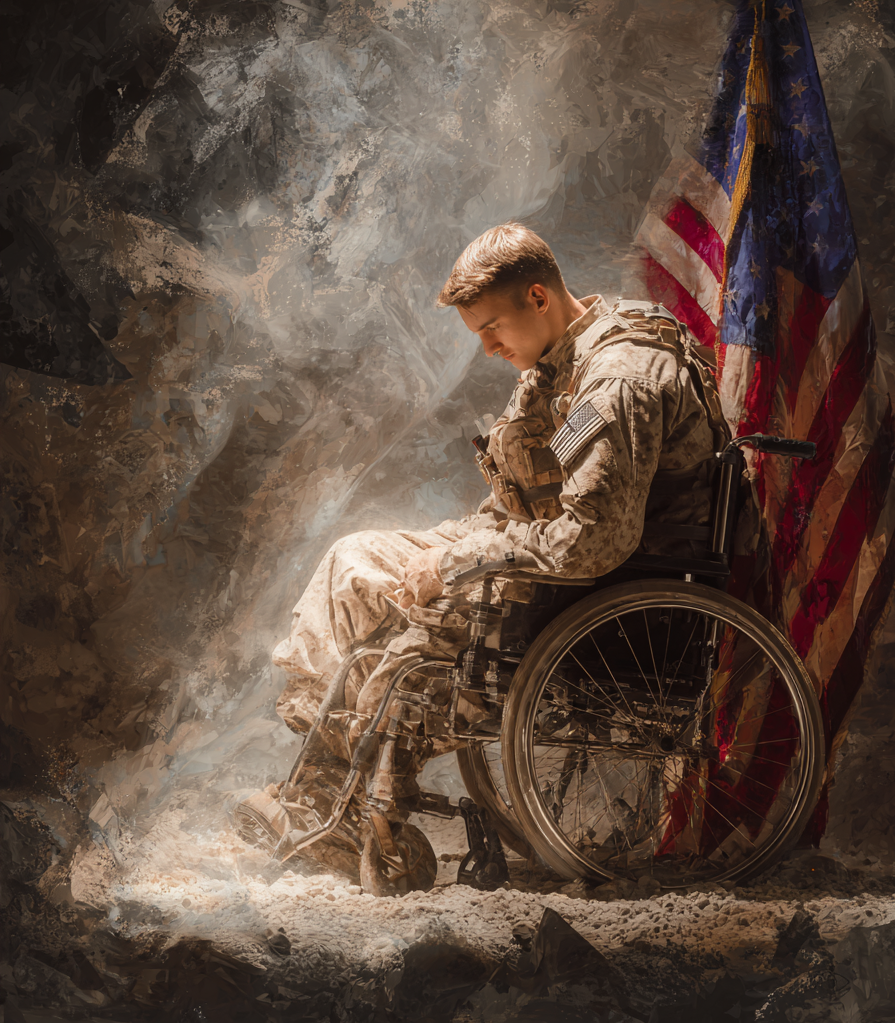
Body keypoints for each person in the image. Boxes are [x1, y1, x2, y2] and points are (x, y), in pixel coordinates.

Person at [234, 223, 734, 891]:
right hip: (537, 547)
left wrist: (455, 564)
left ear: (537, 296)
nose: (488, 347)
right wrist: (461, 547)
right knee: (354, 562)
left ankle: (344, 798)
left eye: (491, 328)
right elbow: (528, 498)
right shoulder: (567, 351)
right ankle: (330, 780)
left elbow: (593, 540)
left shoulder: (616, 379)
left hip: (595, 584)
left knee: (413, 619)